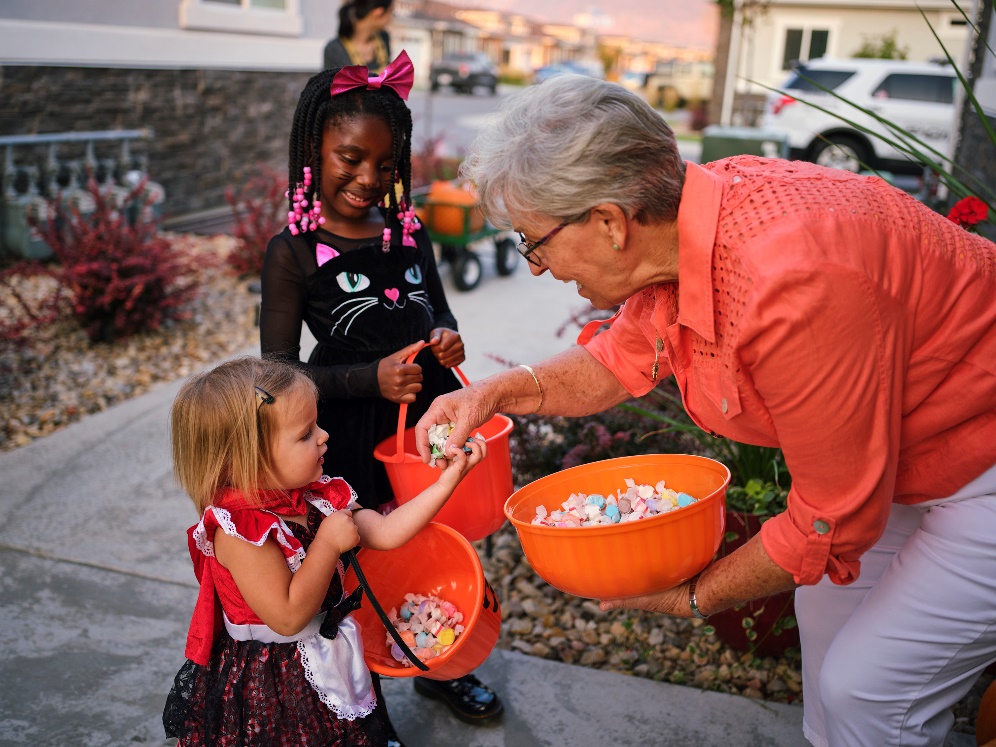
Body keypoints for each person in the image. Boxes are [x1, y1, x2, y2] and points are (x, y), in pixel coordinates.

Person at [414, 73, 996, 747]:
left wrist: (697, 595)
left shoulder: (790, 281)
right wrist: (486, 393)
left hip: (984, 460)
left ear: (607, 222)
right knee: (825, 627)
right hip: (910, 459)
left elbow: (827, 520)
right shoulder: (680, 224)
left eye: (532, 239)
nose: (536, 266)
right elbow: (612, 361)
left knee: (867, 689)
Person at [258, 52, 504, 724]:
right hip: (346, 434)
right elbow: (277, 374)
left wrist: (449, 337)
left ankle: (445, 662)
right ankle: (369, 697)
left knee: (440, 539)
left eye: (387, 164)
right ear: (313, 150)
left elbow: (439, 312)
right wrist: (369, 378)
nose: (370, 178)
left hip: (424, 423)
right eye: (349, 158)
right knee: (364, 560)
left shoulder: (409, 231)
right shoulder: (294, 252)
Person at [162, 355, 486, 746]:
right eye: (304, 434)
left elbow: (384, 531)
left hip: (330, 649)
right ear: (246, 459)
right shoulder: (240, 533)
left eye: (316, 423)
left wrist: (447, 481)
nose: (324, 435)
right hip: (278, 680)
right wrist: (328, 544)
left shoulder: (316, 498)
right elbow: (287, 617)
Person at [324, 0, 394, 73]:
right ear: (378, 13)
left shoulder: (383, 38)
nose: (390, 19)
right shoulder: (334, 49)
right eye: (390, 12)